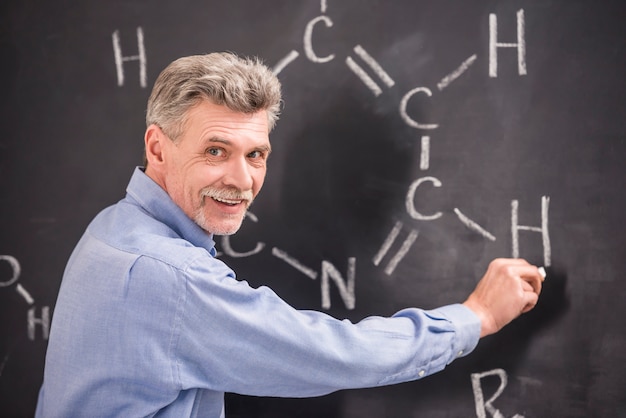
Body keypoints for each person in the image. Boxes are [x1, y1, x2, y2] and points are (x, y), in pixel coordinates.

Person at [35, 52, 544, 418]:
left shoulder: (113, 228)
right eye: (216, 151)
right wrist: (473, 317)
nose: (241, 180)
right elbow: (333, 354)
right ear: (158, 147)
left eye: (256, 154)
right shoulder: (172, 277)